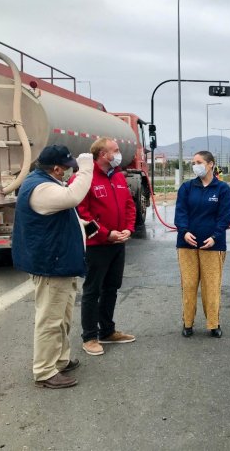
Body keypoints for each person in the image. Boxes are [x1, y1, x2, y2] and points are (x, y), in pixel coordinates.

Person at [12, 145, 93, 389]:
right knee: (50, 319)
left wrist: (82, 226)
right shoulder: (40, 188)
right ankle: (45, 371)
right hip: (51, 265)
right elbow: (73, 197)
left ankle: (59, 359)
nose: (69, 172)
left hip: (59, 263)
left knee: (62, 317)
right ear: (56, 169)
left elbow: (61, 213)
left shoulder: (45, 183)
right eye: (67, 168)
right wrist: (87, 168)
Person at [72, 137, 136, 356]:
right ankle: (89, 336)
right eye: (115, 151)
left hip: (118, 243)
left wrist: (128, 228)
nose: (119, 154)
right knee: (92, 290)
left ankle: (107, 331)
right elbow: (81, 214)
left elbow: (129, 205)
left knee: (112, 287)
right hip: (97, 245)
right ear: (103, 155)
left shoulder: (118, 176)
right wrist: (106, 234)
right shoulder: (84, 179)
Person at [175, 151, 230, 338]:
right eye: (193, 162)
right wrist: (184, 232)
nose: (195, 165)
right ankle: (188, 323)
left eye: (198, 162)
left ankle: (213, 324)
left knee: (211, 286)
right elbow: (180, 212)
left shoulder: (222, 189)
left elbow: (224, 216)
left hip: (213, 246)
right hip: (187, 245)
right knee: (189, 284)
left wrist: (215, 236)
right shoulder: (187, 187)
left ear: (210, 164)